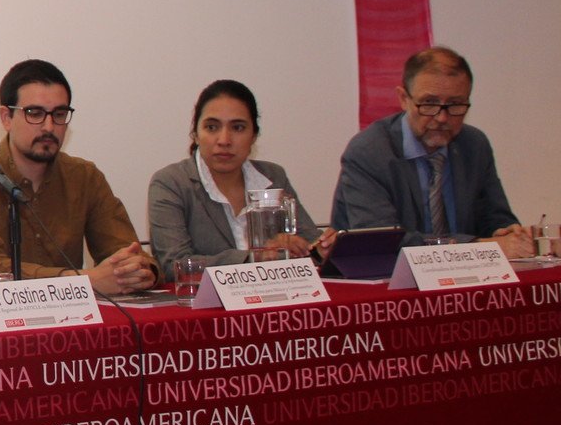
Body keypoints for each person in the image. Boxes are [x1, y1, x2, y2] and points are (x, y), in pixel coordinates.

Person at [0, 59, 157, 298]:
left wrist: (138, 270)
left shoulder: (84, 176)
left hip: (68, 317)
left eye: (59, 114)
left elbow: (127, 251)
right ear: (6, 118)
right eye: (35, 114)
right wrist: (85, 282)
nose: (49, 126)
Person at [330, 46, 531, 255]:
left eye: (455, 104)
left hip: (467, 273)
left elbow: (495, 217)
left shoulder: (474, 145)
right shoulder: (369, 152)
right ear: (403, 99)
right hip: (386, 274)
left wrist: (506, 232)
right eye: (429, 103)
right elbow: (381, 243)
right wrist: (478, 247)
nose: (442, 117)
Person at [148, 79, 336, 269]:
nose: (224, 140)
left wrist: (321, 249)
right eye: (212, 127)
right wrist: (254, 258)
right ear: (195, 134)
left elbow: (310, 243)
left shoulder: (273, 176)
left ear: (254, 136)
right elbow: (173, 264)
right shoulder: (172, 183)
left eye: (238, 128)